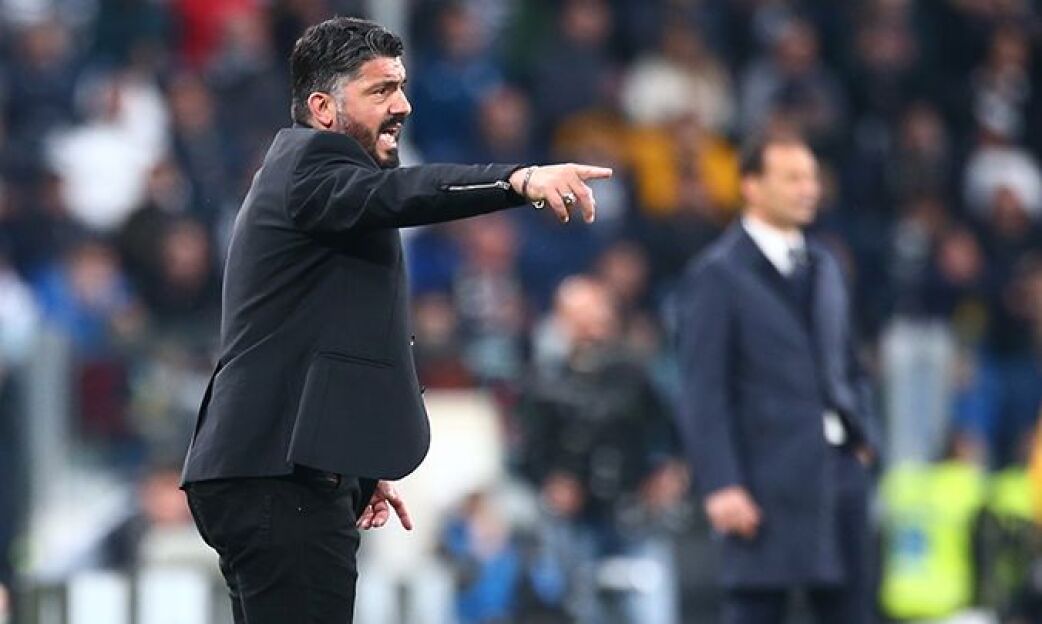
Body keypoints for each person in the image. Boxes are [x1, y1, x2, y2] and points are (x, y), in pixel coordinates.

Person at [179, 16, 611, 624]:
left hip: (276, 469)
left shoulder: (313, 185)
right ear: (323, 108)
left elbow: (322, 331)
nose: (402, 105)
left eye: (401, 87)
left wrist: (352, 459)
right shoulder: (310, 168)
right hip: (281, 477)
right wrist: (518, 180)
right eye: (380, 90)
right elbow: (409, 193)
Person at [673, 134, 876, 623]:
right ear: (752, 185)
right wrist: (722, 483)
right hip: (763, 482)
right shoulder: (717, 274)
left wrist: (865, 436)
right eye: (792, 178)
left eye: (812, 178)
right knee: (756, 612)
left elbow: (849, 364)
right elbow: (702, 390)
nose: (808, 189)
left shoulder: (826, 265)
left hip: (838, 476)